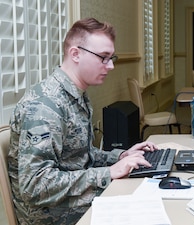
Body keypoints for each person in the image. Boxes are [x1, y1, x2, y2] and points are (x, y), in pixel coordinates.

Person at [8, 18, 158, 225]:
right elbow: (34, 186)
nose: (111, 65)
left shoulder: (76, 95)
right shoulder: (45, 107)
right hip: (54, 216)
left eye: (111, 57)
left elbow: (79, 155)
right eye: (104, 58)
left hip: (74, 202)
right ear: (76, 54)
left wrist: (121, 156)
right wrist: (108, 172)